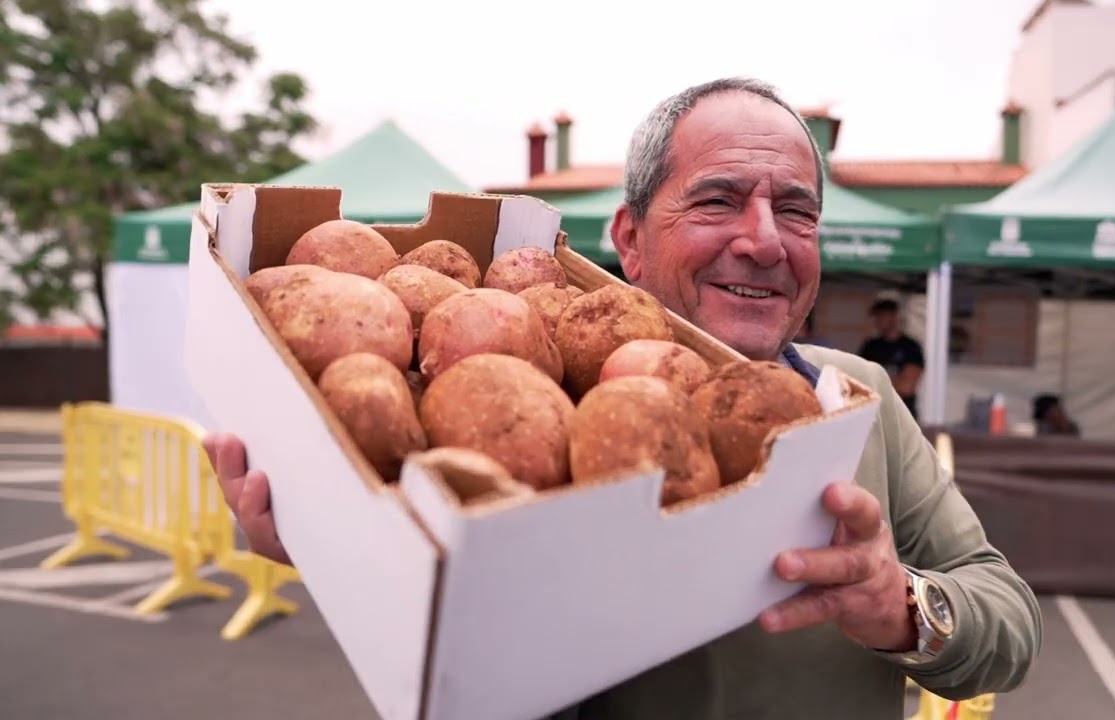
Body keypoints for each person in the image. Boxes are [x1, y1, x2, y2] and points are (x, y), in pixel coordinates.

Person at [203, 77, 1042, 720]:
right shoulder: (539, 426)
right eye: (718, 200)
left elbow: (1006, 618)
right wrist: (354, 555)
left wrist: (901, 607)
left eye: (797, 212)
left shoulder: (857, 404)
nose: (763, 241)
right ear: (630, 240)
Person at [857, 298, 925, 418]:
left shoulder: (911, 347)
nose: (878, 321)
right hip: (874, 415)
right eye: (876, 317)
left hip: (902, 415)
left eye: (882, 316)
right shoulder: (870, 346)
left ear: (894, 316)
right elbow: (858, 380)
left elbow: (906, 387)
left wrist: (875, 384)